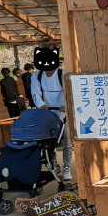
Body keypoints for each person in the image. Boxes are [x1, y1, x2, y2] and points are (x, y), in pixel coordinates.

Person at [31, 49, 73, 181]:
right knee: (48, 141)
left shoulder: (62, 74)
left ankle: (67, 167)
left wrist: (66, 104)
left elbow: (69, 91)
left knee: (67, 141)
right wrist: (41, 105)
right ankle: (54, 164)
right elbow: (36, 92)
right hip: (47, 112)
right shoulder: (37, 76)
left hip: (63, 112)